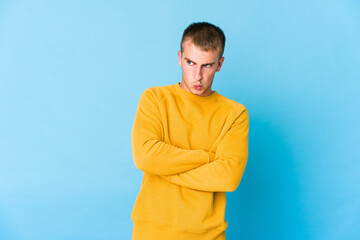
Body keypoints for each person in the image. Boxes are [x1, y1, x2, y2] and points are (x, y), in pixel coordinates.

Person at [130, 22, 249, 240]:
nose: (197, 75)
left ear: (220, 64)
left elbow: (228, 177)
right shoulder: (154, 99)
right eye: (190, 62)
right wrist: (207, 158)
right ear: (179, 58)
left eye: (207, 66)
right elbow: (145, 157)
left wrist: (164, 169)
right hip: (151, 232)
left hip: (208, 235)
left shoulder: (235, 113)